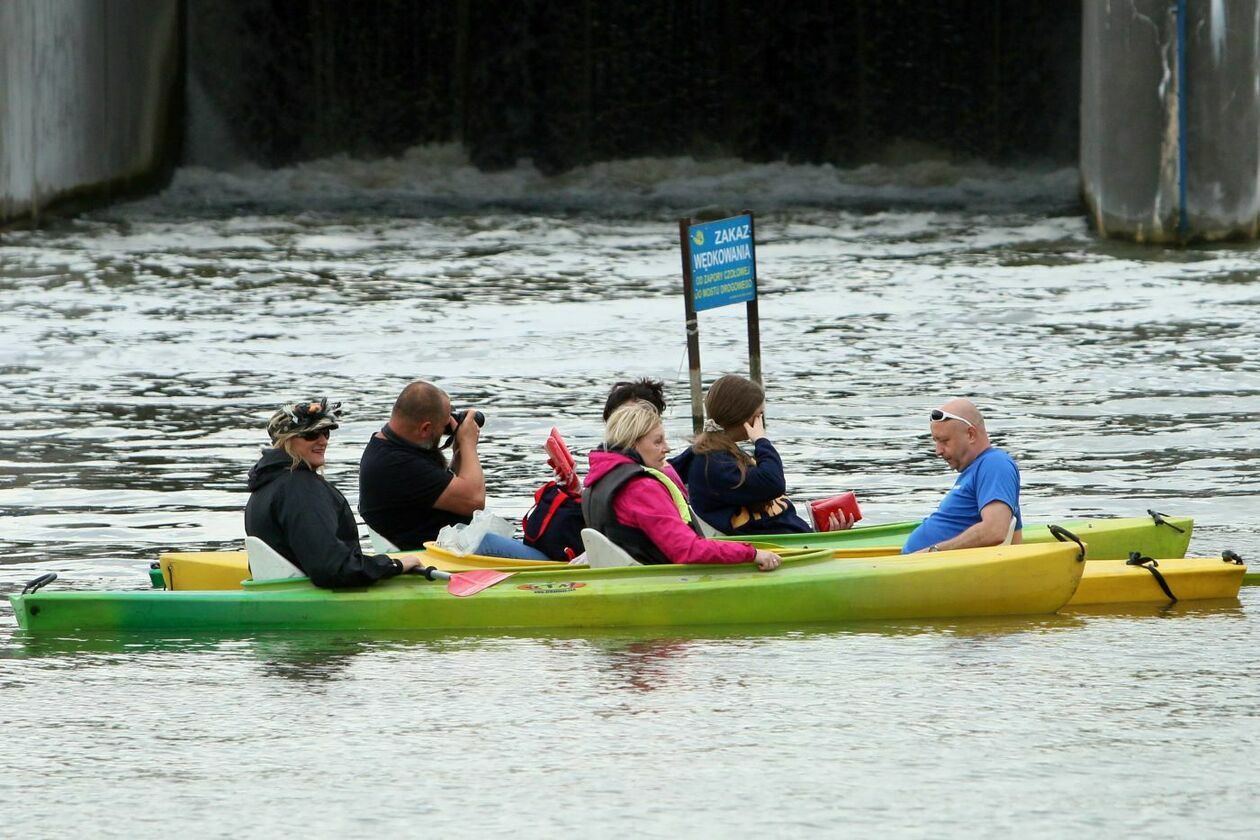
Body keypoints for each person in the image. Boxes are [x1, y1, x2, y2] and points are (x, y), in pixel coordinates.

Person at [244, 397, 424, 588]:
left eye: (326, 433)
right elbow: (333, 568)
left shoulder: (267, 482)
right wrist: (393, 564)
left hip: (281, 592)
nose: (322, 441)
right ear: (286, 441)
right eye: (311, 434)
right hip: (315, 598)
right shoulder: (300, 488)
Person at [582, 399, 782, 571]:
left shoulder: (598, 479)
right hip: (660, 581)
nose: (666, 448)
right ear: (634, 444)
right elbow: (687, 550)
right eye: (658, 441)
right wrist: (752, 554)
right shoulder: (641, 488)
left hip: (626, 576)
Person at [669, 374, 855, 536]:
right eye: (758, 415)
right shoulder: (712, 465)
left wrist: (820, 534)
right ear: (744, 418)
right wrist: (761, 441)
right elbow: (773, 483)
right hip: (775, 551)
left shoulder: (724, 454)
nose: (761, 421)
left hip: (798, 542)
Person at [359, 380, 485, 550]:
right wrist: (468, 442)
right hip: (436, 559)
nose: (446, 429)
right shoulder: (396, 464)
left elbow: (447, 487)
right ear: (425, 429)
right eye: (443, 425)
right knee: (533, 553)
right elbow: (474, 500)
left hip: (449, 549)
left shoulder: (390, 448)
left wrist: (459, 450)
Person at [901, 399, 1022, 554]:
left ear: (971, 434)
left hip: (925, 568)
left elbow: (995, 530)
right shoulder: (979, 468)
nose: (938, 451)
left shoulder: (995, 464)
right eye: (936, 441)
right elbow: (1015, 538)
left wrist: (934, 551)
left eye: (944, 441)